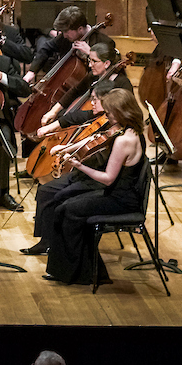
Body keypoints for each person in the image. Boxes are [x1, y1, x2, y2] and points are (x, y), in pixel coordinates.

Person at [31, 87, 148, 285]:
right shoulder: (132, 132)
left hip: (120, 199)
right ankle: (81, 270)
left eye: (110, 113)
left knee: (68, 210)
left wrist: (79, 165)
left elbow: (108, 178)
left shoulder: (124, 140)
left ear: (121, 112)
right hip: (120, 194)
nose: (107, 117)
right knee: (64, 207)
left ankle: (79, 273)